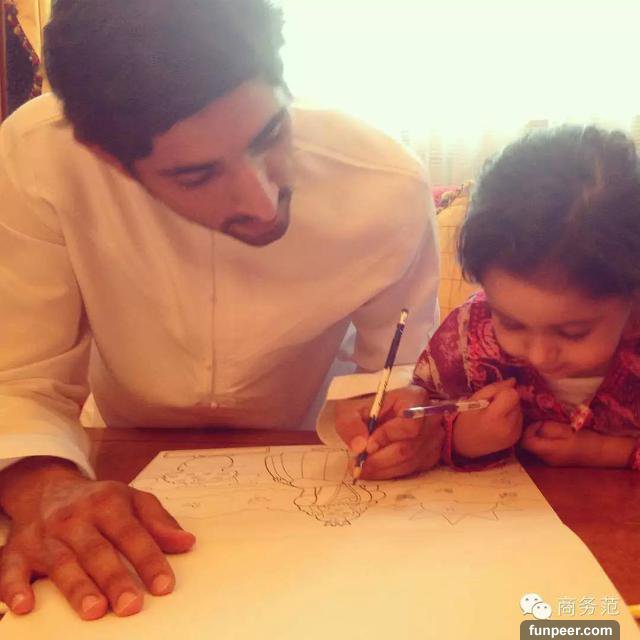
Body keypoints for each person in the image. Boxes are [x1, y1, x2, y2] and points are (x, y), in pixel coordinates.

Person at [0, 0, 441, 620]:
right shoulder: (38, 157)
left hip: (316, 482)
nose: (263, 204)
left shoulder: (386, 184)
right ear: (106, 156)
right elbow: (21, 378)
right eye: (196, 175)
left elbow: (398, 378)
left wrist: (408, 424)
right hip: (119, 460)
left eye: (270, 134)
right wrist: (45, 487)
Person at [336, 125, 640, 475]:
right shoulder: (469, 335)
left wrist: (604, 451)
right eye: (510, 323)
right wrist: (461, 437)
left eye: (573, 333)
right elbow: (428, 409)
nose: (539, 355)